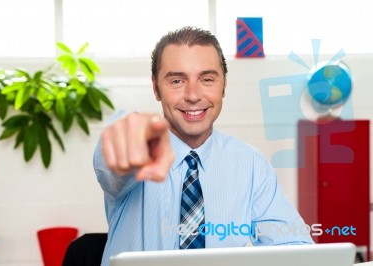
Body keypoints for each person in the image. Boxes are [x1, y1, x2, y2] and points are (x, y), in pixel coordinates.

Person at [93, 26, 313, 266]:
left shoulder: (250, 164)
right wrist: (129, 138)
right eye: (177, 81)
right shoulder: (136, 148)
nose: (193, 95)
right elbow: (113, 159)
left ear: (224, 86)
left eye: (207, 79)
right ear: (156, 88)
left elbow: (295, 249)